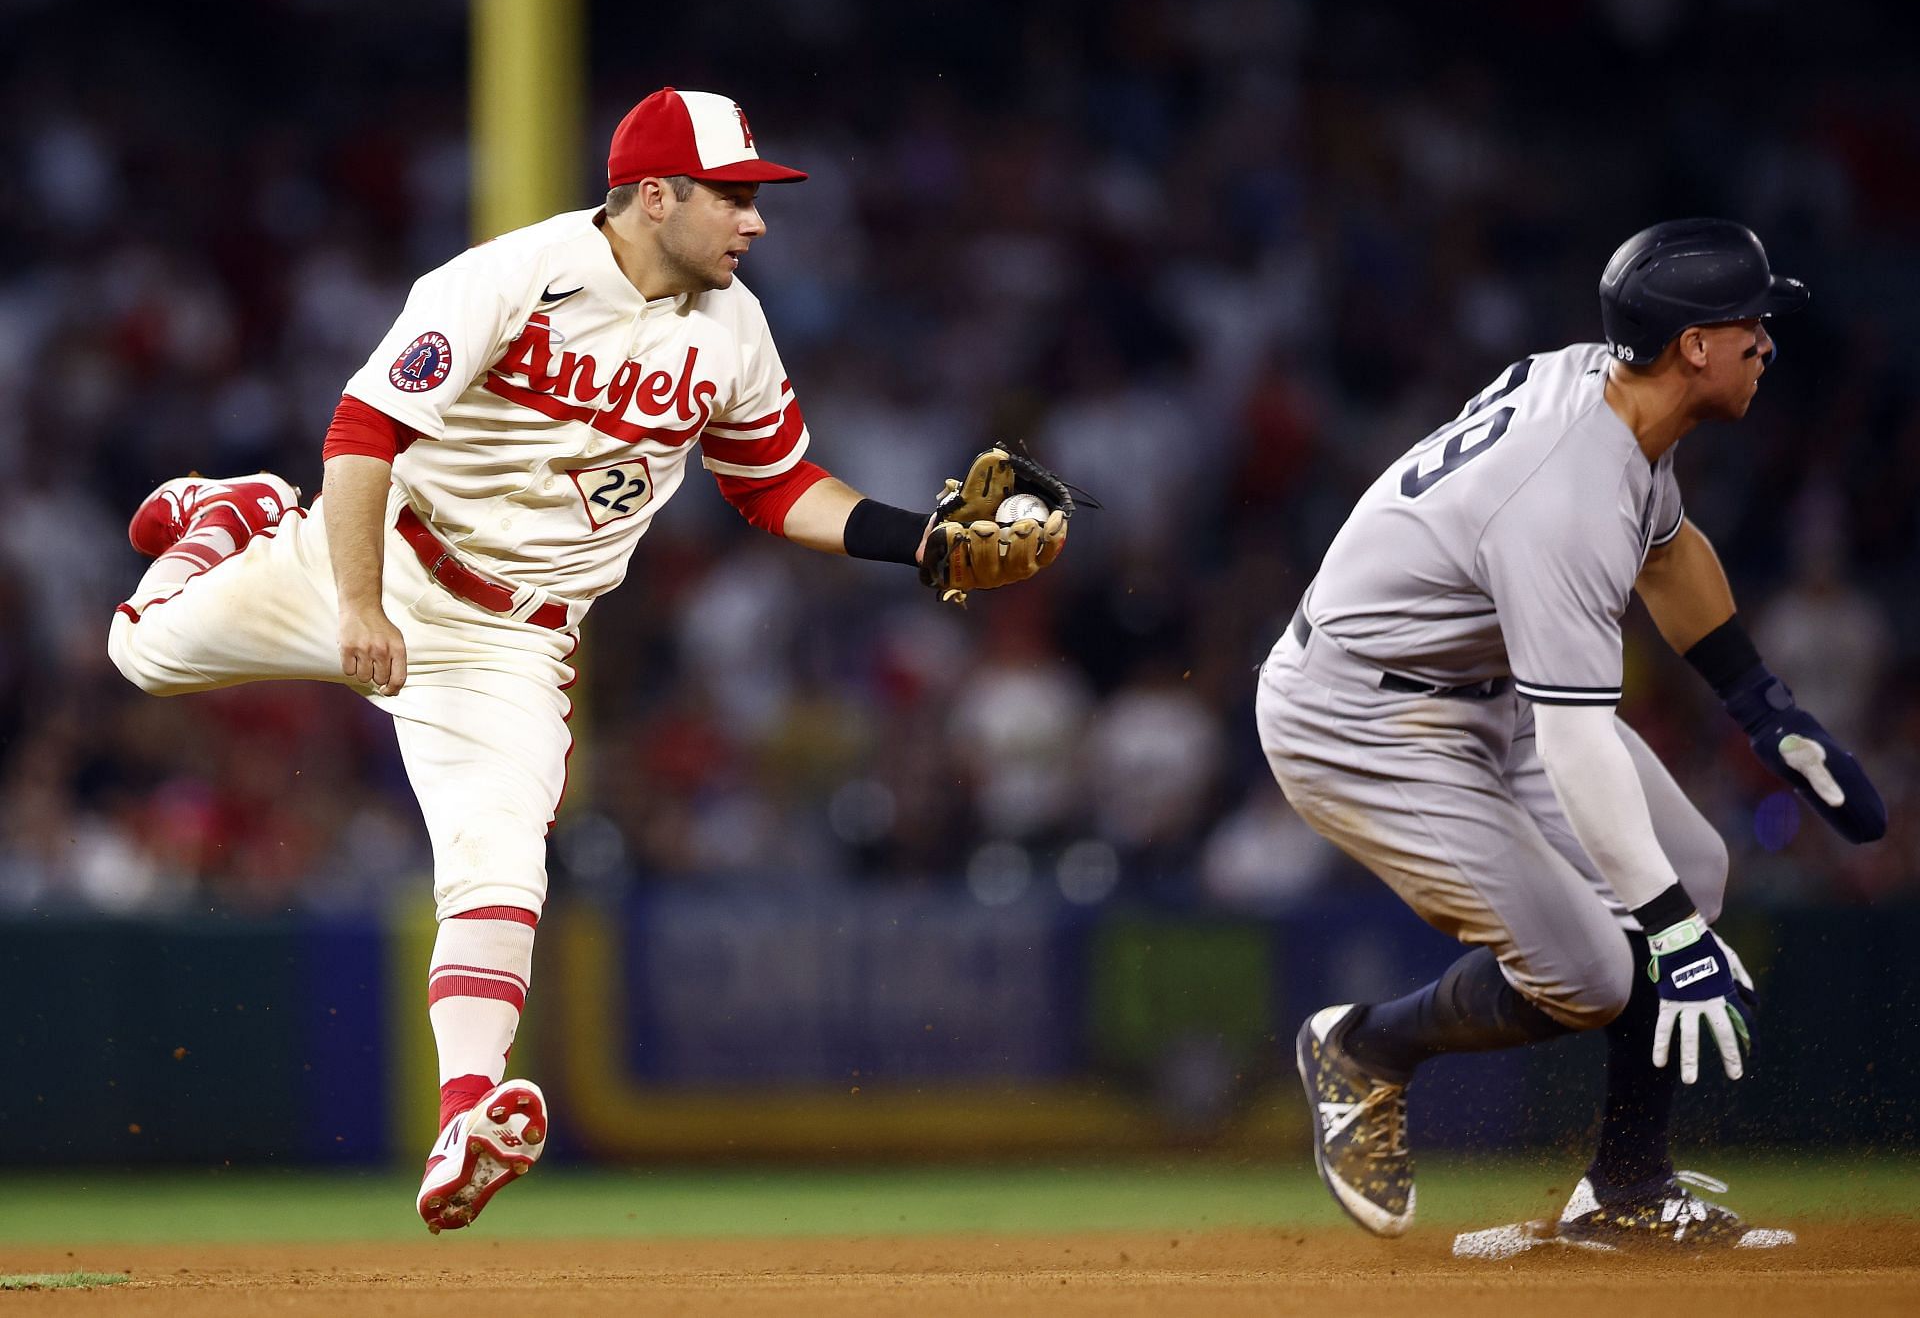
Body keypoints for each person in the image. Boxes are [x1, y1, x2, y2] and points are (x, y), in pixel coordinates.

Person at [107, 87, 1067, 1234]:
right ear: (654, 196)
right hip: (361, 554)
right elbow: (363, 429)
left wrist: (919, 538)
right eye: (735, 196)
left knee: (498, 852)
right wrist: (357, 601)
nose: (756, 221)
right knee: (139, 654)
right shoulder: (509, 276)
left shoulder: (734, 328)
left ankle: (467, 1110)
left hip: (512, 636)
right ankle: (231, 512)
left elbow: (774, 483)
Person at [1261, 219, 1885, 1249]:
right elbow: (1578, 740)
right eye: (1752, 325)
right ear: (1692, 345)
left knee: (1690, 863)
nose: (1767, 344)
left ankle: (1626, 1189)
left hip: (1471, 686)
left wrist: (1763, 705)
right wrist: (1674, 936)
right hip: (1362, 719)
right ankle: (1368, 1049)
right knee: (1600, 970)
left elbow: (1668, 551)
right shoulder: (1564, 489)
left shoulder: (1616, 400)